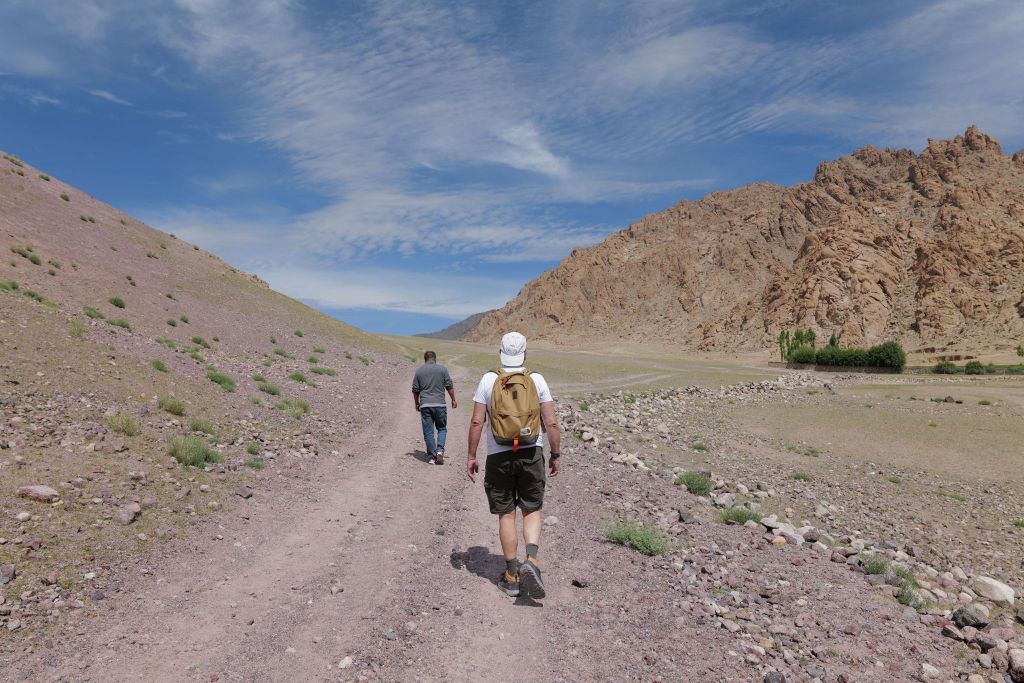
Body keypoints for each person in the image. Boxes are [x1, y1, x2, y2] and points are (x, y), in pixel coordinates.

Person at [467, 331, 561, 599]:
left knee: (506, 514)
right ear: (525, 353)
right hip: (531, 453)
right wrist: (555, 454)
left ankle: (511, 576)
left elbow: (477, 421)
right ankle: (531, 560)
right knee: (531, 509)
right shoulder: (536, 379)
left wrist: (471, 456)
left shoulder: (488, 380)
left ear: (500, 352)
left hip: (499, 456)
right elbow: (551, 422)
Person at [412, 351, 456, 465]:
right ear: (435, 359)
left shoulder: (419, 371)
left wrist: (417, 403)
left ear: (425, 359)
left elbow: (415, 390)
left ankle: (431, 456)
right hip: (440, 405)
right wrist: (453, 399)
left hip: (425, 405)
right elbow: (449, 386)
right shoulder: (443, 369)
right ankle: (440, 451)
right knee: (442, 428)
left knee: (428, 431)